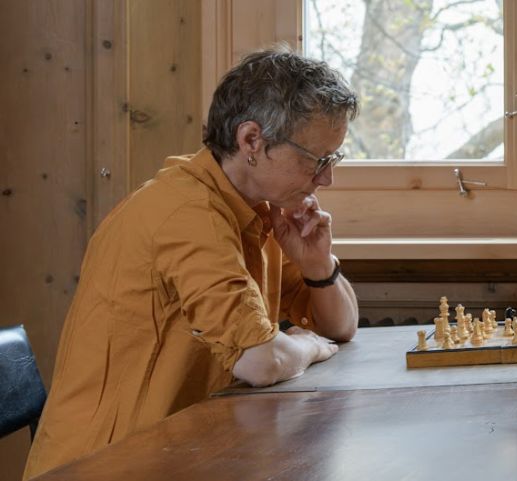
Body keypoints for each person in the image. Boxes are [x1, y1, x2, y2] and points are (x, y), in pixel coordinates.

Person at [23, 44, 359, 479]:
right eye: (316, 160)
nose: (326, 178)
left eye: (333, 160)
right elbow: (261, 361)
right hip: (105, 465)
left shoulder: (263, 207)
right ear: (252, 140)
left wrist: (318, 266)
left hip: (184, 453)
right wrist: (309, 347)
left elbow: (340, 327)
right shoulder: (185, 212)